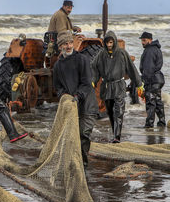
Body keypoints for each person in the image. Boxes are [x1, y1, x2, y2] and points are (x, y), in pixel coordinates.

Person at [53, 31, 98, 166]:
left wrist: (78, 95)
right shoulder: (57, 66)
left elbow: (86, 82)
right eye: (65, 43)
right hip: (72, 105)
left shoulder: (82, 59)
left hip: (87, 103)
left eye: (71, 43)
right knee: (72, 136)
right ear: (60, 46)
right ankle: (76, 160)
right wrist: (63, 96)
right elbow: (58, 86)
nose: (69, 46)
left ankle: (82, 163)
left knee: (84, 133)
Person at [91, 31, 144, 143]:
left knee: (119, 111)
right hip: (106, 86)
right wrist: (93, 81)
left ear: (114, 42)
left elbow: (131, 68)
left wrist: (139, 84)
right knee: (110, 111)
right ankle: (115, 131)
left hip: (119, 85)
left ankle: (117, 137)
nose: (109, 45)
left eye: (111, 42)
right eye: (107, 43)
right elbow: (94, 68)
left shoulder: (122, 53)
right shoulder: (101, 54)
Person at [139, 31, 166, 128]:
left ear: (150, 40)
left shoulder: (149, 50)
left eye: (144, 40)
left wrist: (145, 82)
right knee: (158, 102)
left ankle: (149, 125)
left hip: (152, 80)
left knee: (150, 102)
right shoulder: (156, 49)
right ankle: (162, 122)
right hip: (158, 79)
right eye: (142, 40)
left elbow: (148, 68)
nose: (142, 42)